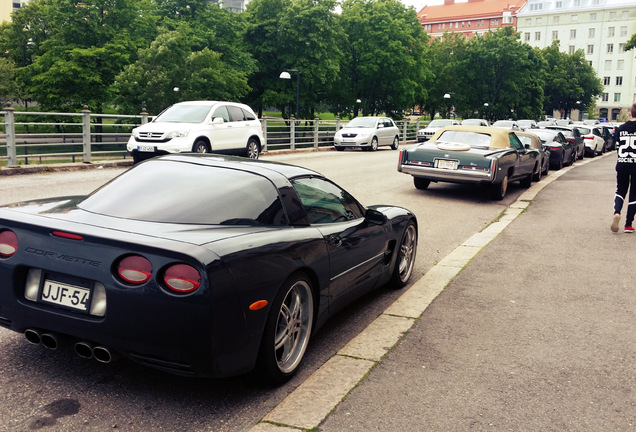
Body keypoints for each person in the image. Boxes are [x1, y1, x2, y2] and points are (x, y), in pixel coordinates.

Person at [611, 103, 636, 233]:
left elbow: (617, 146)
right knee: (634, 194)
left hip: (622, 163)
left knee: (620, 190)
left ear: (630, 113)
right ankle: (628, 224)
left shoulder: (621, 128)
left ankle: (617, 212)